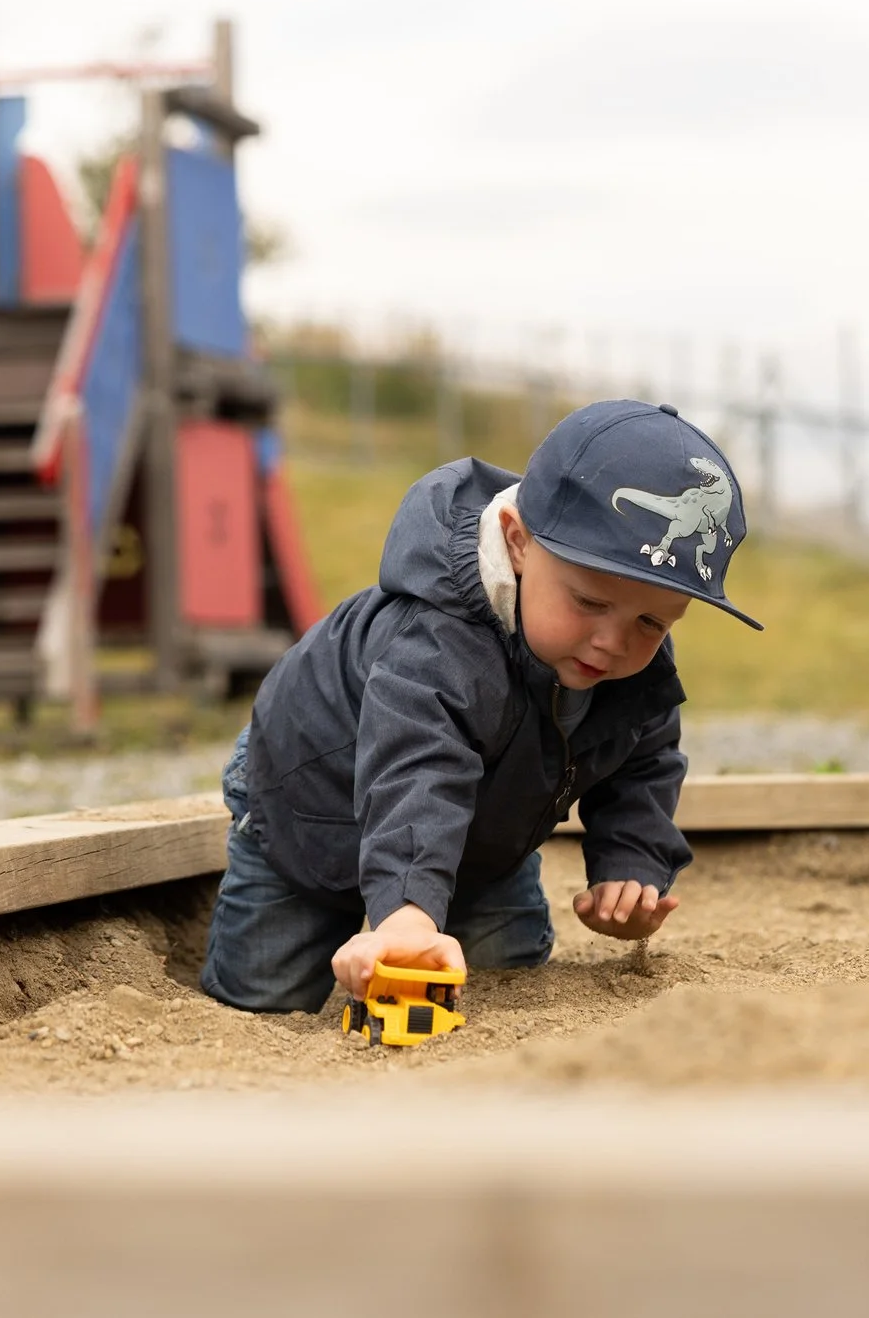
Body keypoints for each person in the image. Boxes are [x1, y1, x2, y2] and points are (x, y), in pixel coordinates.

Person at [200, 399, 762, 1013]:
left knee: (504, 969)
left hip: (480, 834)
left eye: (652, 622)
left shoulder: (630, 664)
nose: (613, 640)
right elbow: (416, 767)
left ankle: (424, 898)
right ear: (518, 544)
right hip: (311, 806)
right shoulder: (438, 641)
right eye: (589, 602)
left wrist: (632, 860)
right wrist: (407, 916)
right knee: (266, 991)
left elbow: (644, 757)